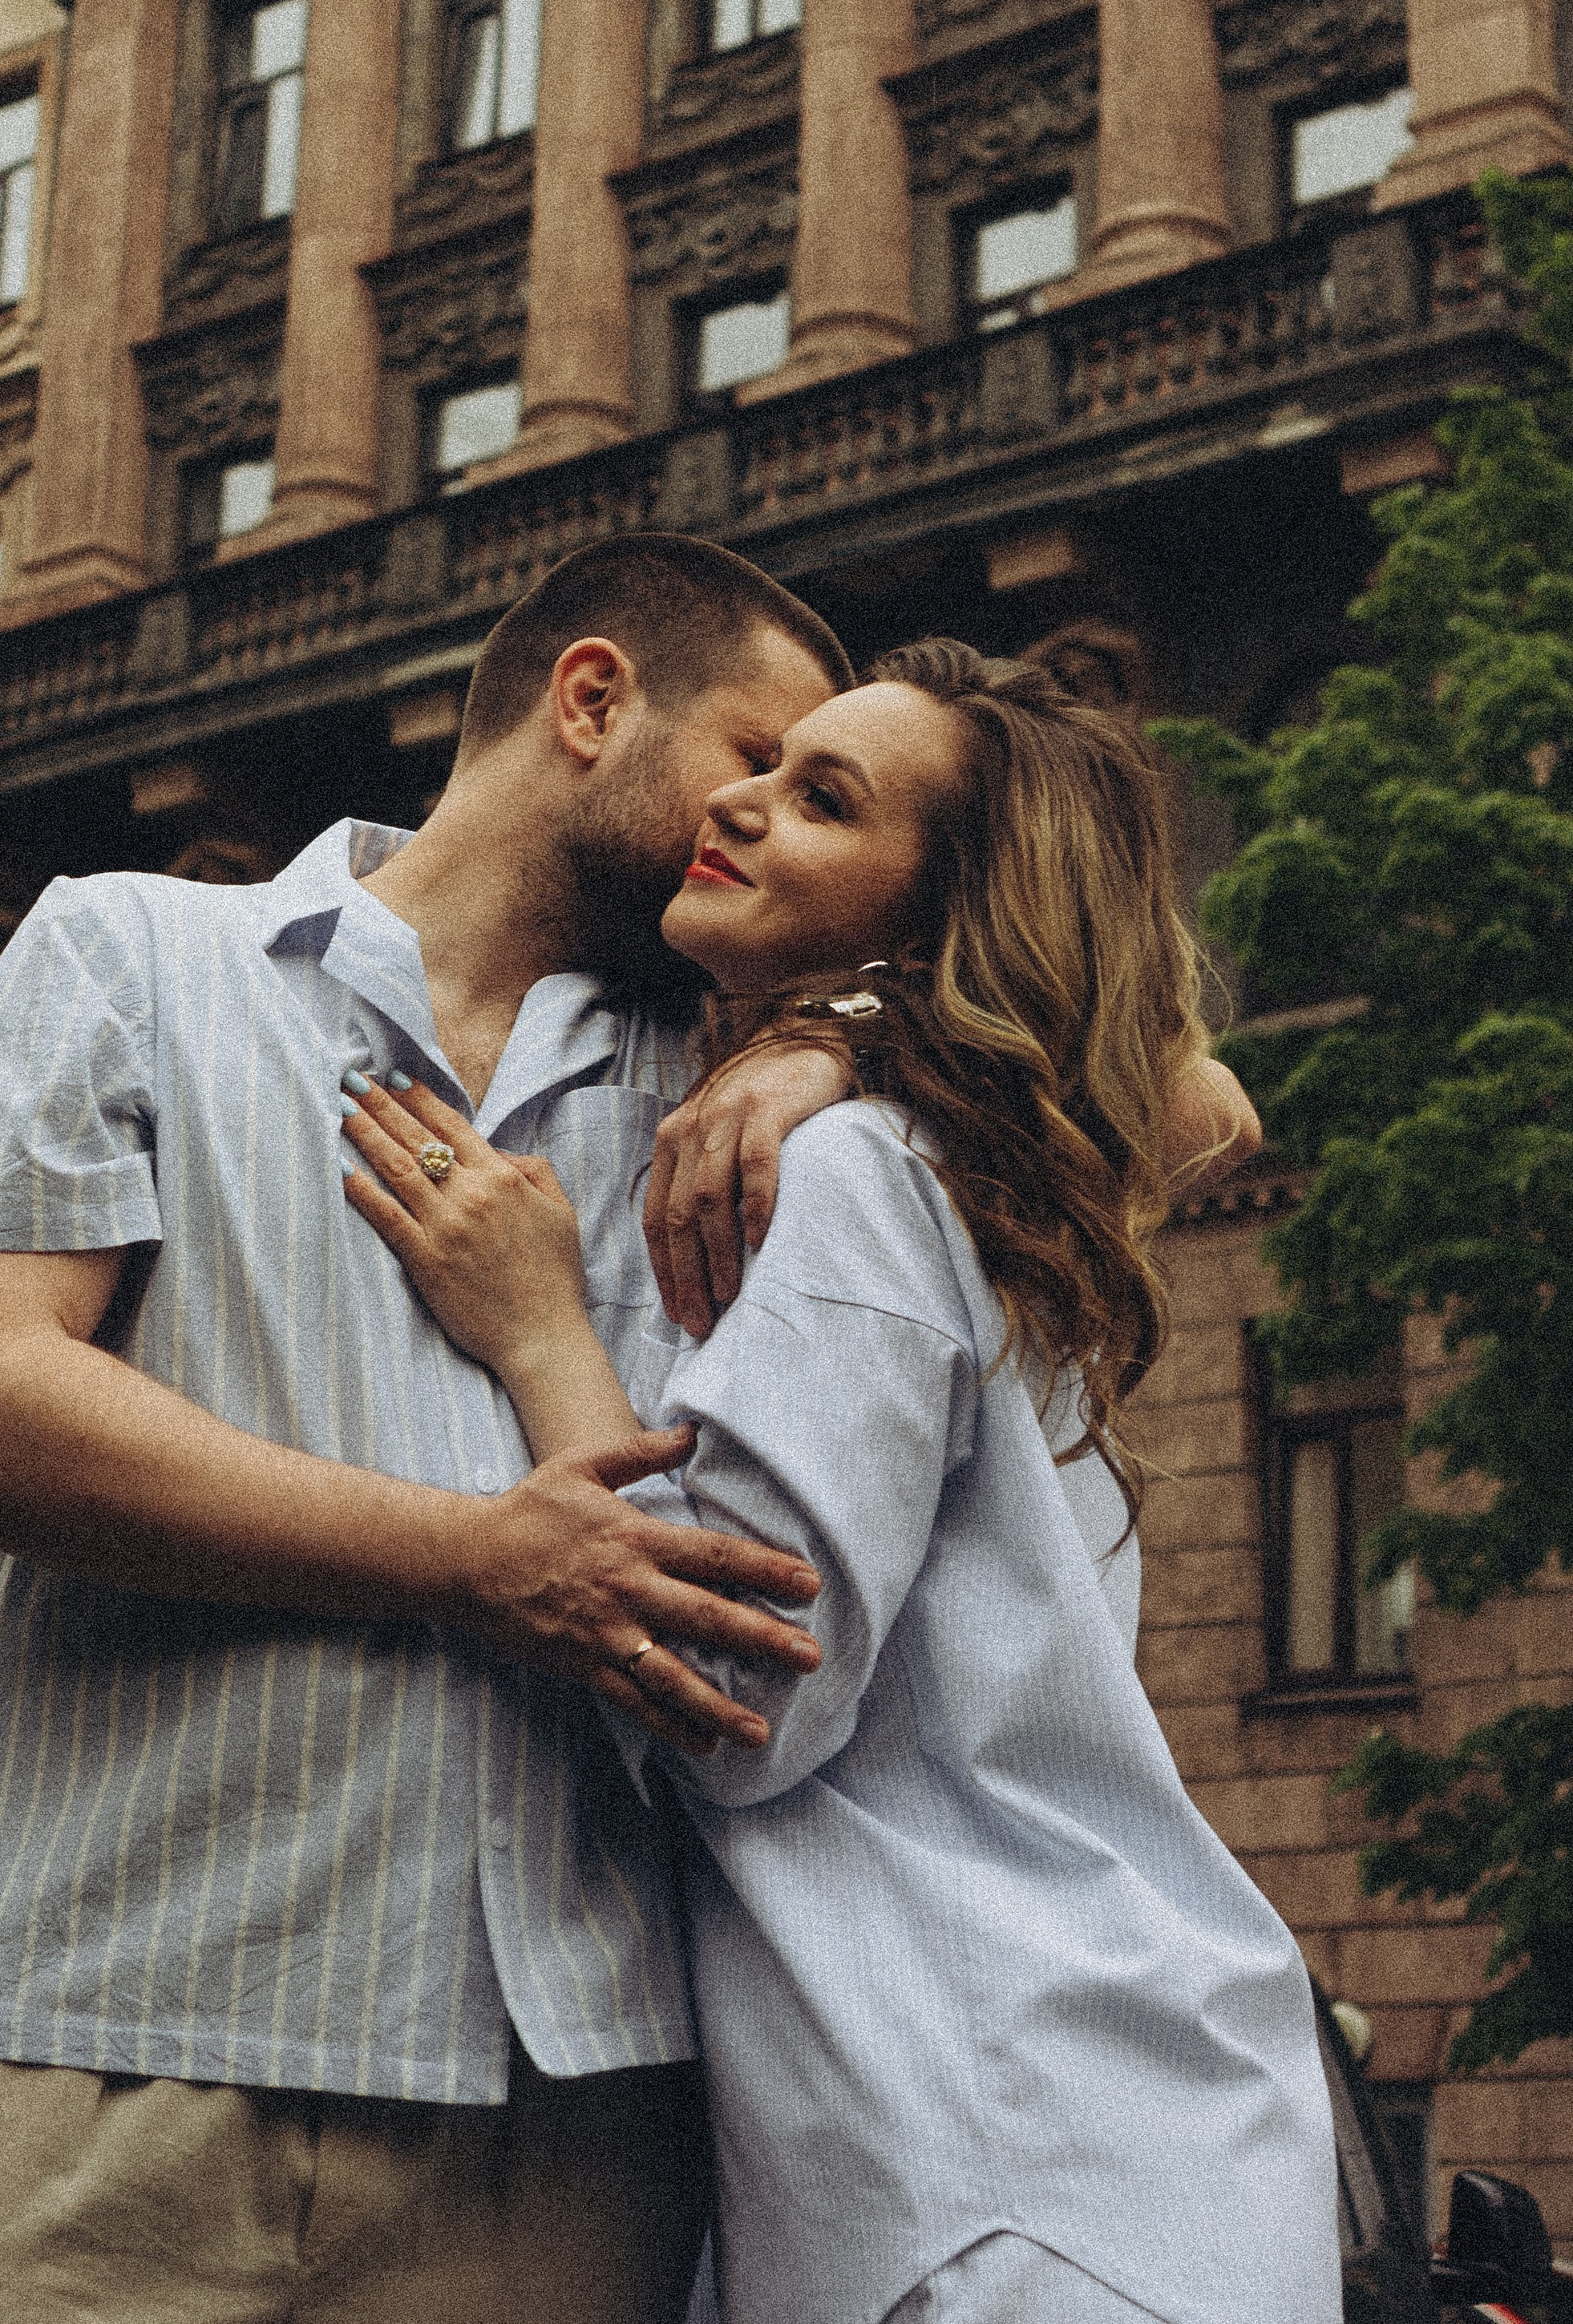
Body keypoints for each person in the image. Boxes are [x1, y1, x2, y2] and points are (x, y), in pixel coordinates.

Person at [0, 535, 860, 2324]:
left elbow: (1185, 1103)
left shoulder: (726, 1085)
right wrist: (473, 1562)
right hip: (94, 2061)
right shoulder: (129, 950)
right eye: (753, 759)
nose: (765, 819)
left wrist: (843, 1038)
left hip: (562, 2121)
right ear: (594, 699)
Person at [340, 638, 1340, 2324]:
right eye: (770, 761)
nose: (736, 797)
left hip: (998, 2161)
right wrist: (844, 1027)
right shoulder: (980, 1170)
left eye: (823, 797)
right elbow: (1179, 1095)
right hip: (1074, 2138)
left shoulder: (868, 1178)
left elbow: (729, 1688)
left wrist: (535, 1334)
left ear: (939, 913)